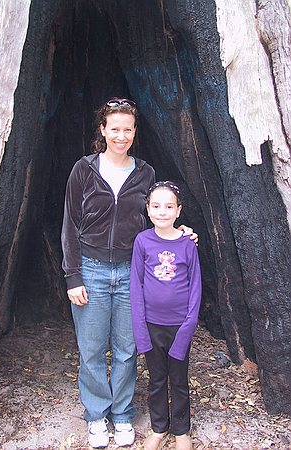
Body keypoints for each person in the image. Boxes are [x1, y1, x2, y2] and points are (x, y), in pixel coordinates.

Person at [61, 98, 197, 448]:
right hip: (90, 269)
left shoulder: (145, 173)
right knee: (91, 349)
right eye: (114, 128)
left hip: (132, 272)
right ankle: (96, 415)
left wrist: (180, 232)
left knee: (126, 347)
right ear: (103, 130)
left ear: (135, 133)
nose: (121, 135)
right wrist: (72, 275)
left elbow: (155, 218)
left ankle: (121, 414)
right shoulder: (84, 169)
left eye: (128, 129)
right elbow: (69, 225)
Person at [130, 181, 202, 450]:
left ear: (178, 210)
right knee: (157, 379)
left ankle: (182, 430)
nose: (162, 211)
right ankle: (159, 427)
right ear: (148, 210)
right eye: (156, 206)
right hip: (151, 324)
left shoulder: (187, 244)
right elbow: (135, 285)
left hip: (179, 325)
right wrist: (140, 328)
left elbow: (195, 286)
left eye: (169, 206)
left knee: (179, 379)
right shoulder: (142, 241)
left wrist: (189, 325)